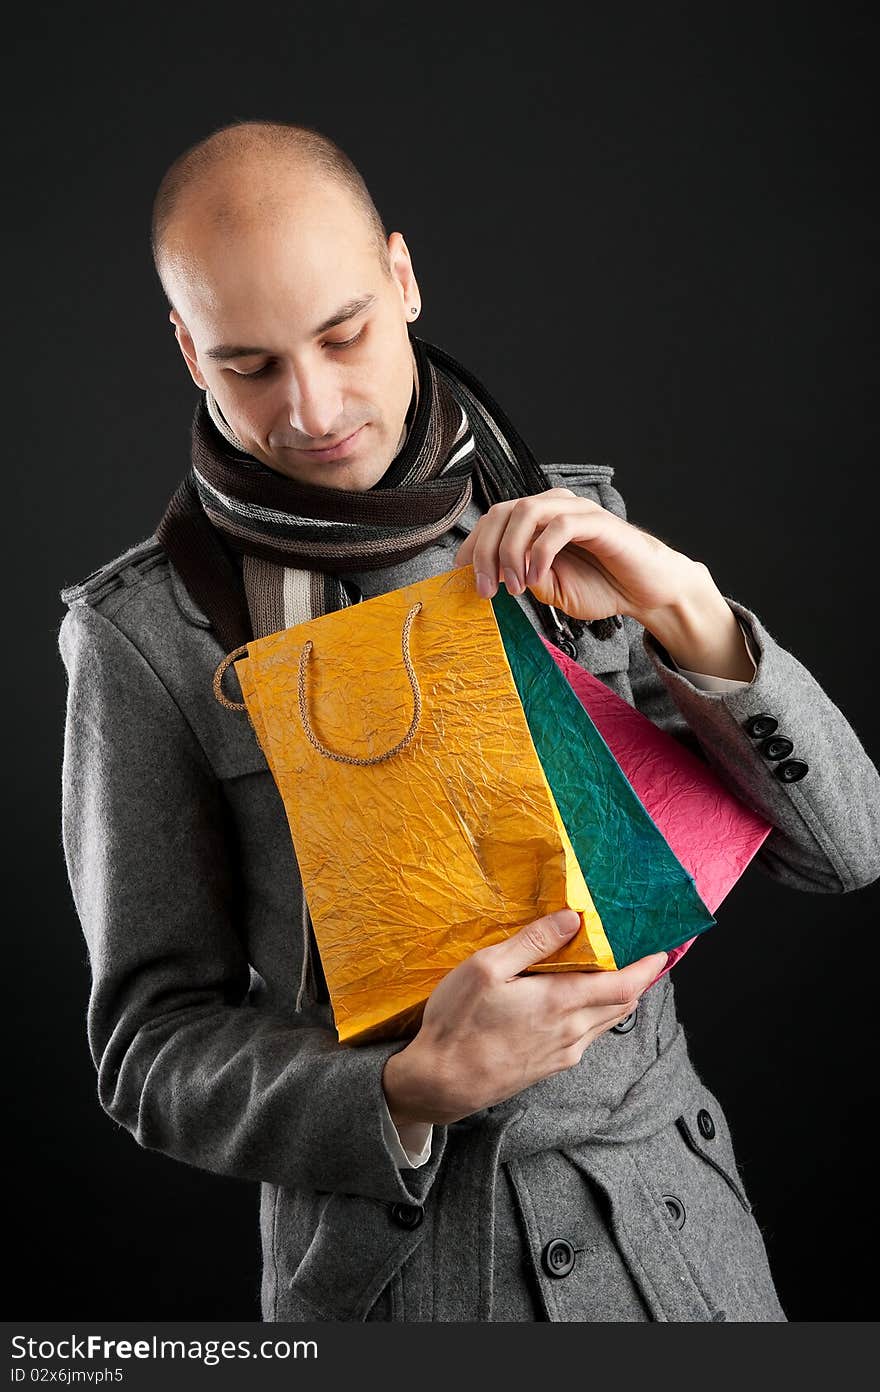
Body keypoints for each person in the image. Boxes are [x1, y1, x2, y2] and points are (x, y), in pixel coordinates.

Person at [57, 118, 880, 1323]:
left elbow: (847, 848)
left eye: (344, 334)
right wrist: (402, 1087)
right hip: (402, 1279)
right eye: (249, 365)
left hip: (674, 1247)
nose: (313, 407)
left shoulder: (572, 527)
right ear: (187, 350)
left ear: (401, 276)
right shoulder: (146, 635)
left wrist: (690, 611)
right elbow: (148, 1047)